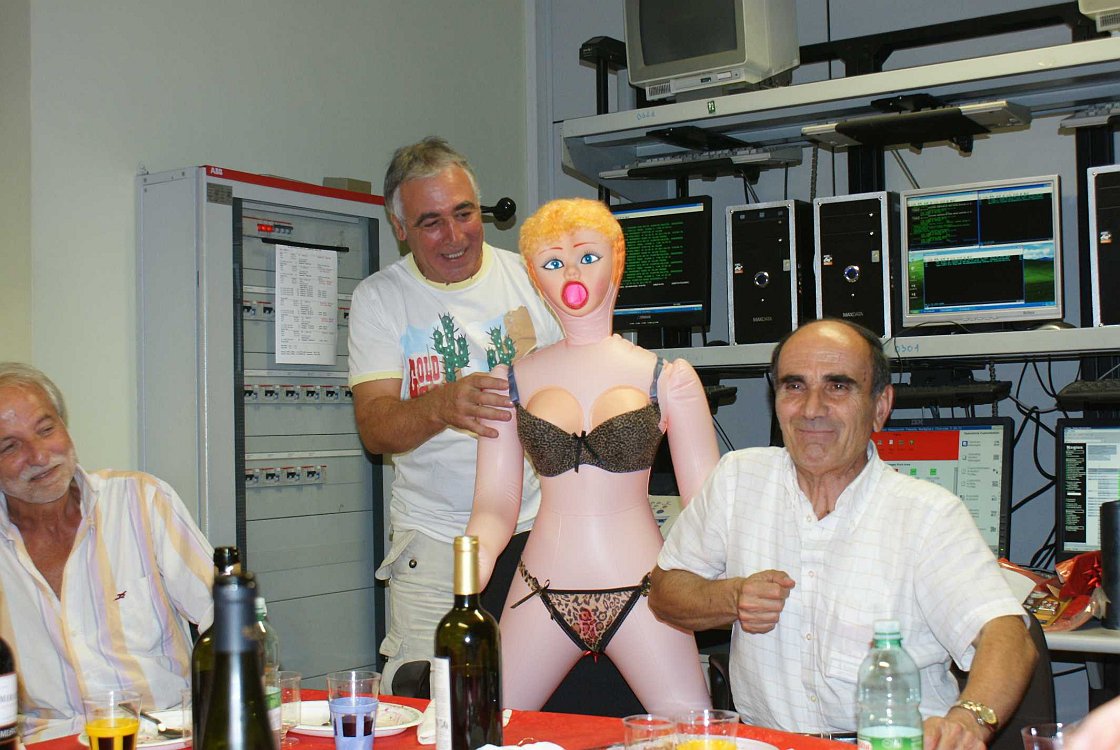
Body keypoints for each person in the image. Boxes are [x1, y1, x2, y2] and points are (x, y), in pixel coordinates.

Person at [649, 318, 1037, 750]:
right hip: (768, 743)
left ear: (880, 407)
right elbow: (664, 590)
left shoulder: (927, 515)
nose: (811, 408)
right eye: (794, 386)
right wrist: (731, 596)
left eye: (838, 387)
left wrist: (968, 720)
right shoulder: (738, 479)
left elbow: (1006, 635)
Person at [466, 197, 716, 714]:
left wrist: (719, 583)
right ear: (535, 277)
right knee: (487, 726)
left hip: (647, 592)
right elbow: (495, 501)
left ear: (616, 261)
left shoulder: (668, 378)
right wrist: (477, 556)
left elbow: (708, 504)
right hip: (541, 590)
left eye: (587, 256)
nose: (571, 274)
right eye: (553, 262)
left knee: (692, 733)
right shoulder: (509, 383)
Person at [347, 137, 562, 689]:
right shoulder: (380, 299)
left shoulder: (534, 279)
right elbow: (375, 428)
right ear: (400, 228)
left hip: (538, 530)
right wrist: (443, 404)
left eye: (465, 214)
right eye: (432, 222)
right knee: (428, 700)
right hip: (435, 539)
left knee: (535, 698)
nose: (455, 235)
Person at [0, 362, 215, 742]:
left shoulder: (142, 501)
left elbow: (231, 618)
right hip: (48, 742)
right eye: (9, 446)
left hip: (161, 736)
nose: (39, 456)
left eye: (46, 430)